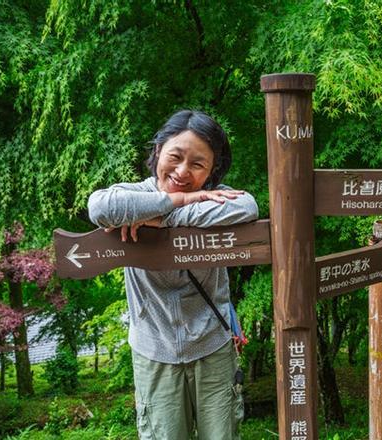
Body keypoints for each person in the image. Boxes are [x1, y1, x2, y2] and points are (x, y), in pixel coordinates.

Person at [88, 109, 257, 439]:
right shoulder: (135, 194)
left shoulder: (215, 196)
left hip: (213, 347)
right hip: (155, 351)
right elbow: (99, 207)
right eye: (175, 157)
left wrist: (163, 216)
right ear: (157, 152)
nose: (182, 171)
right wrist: (177, 199)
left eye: (197, 164)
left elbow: (247, 206)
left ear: (211, 172)